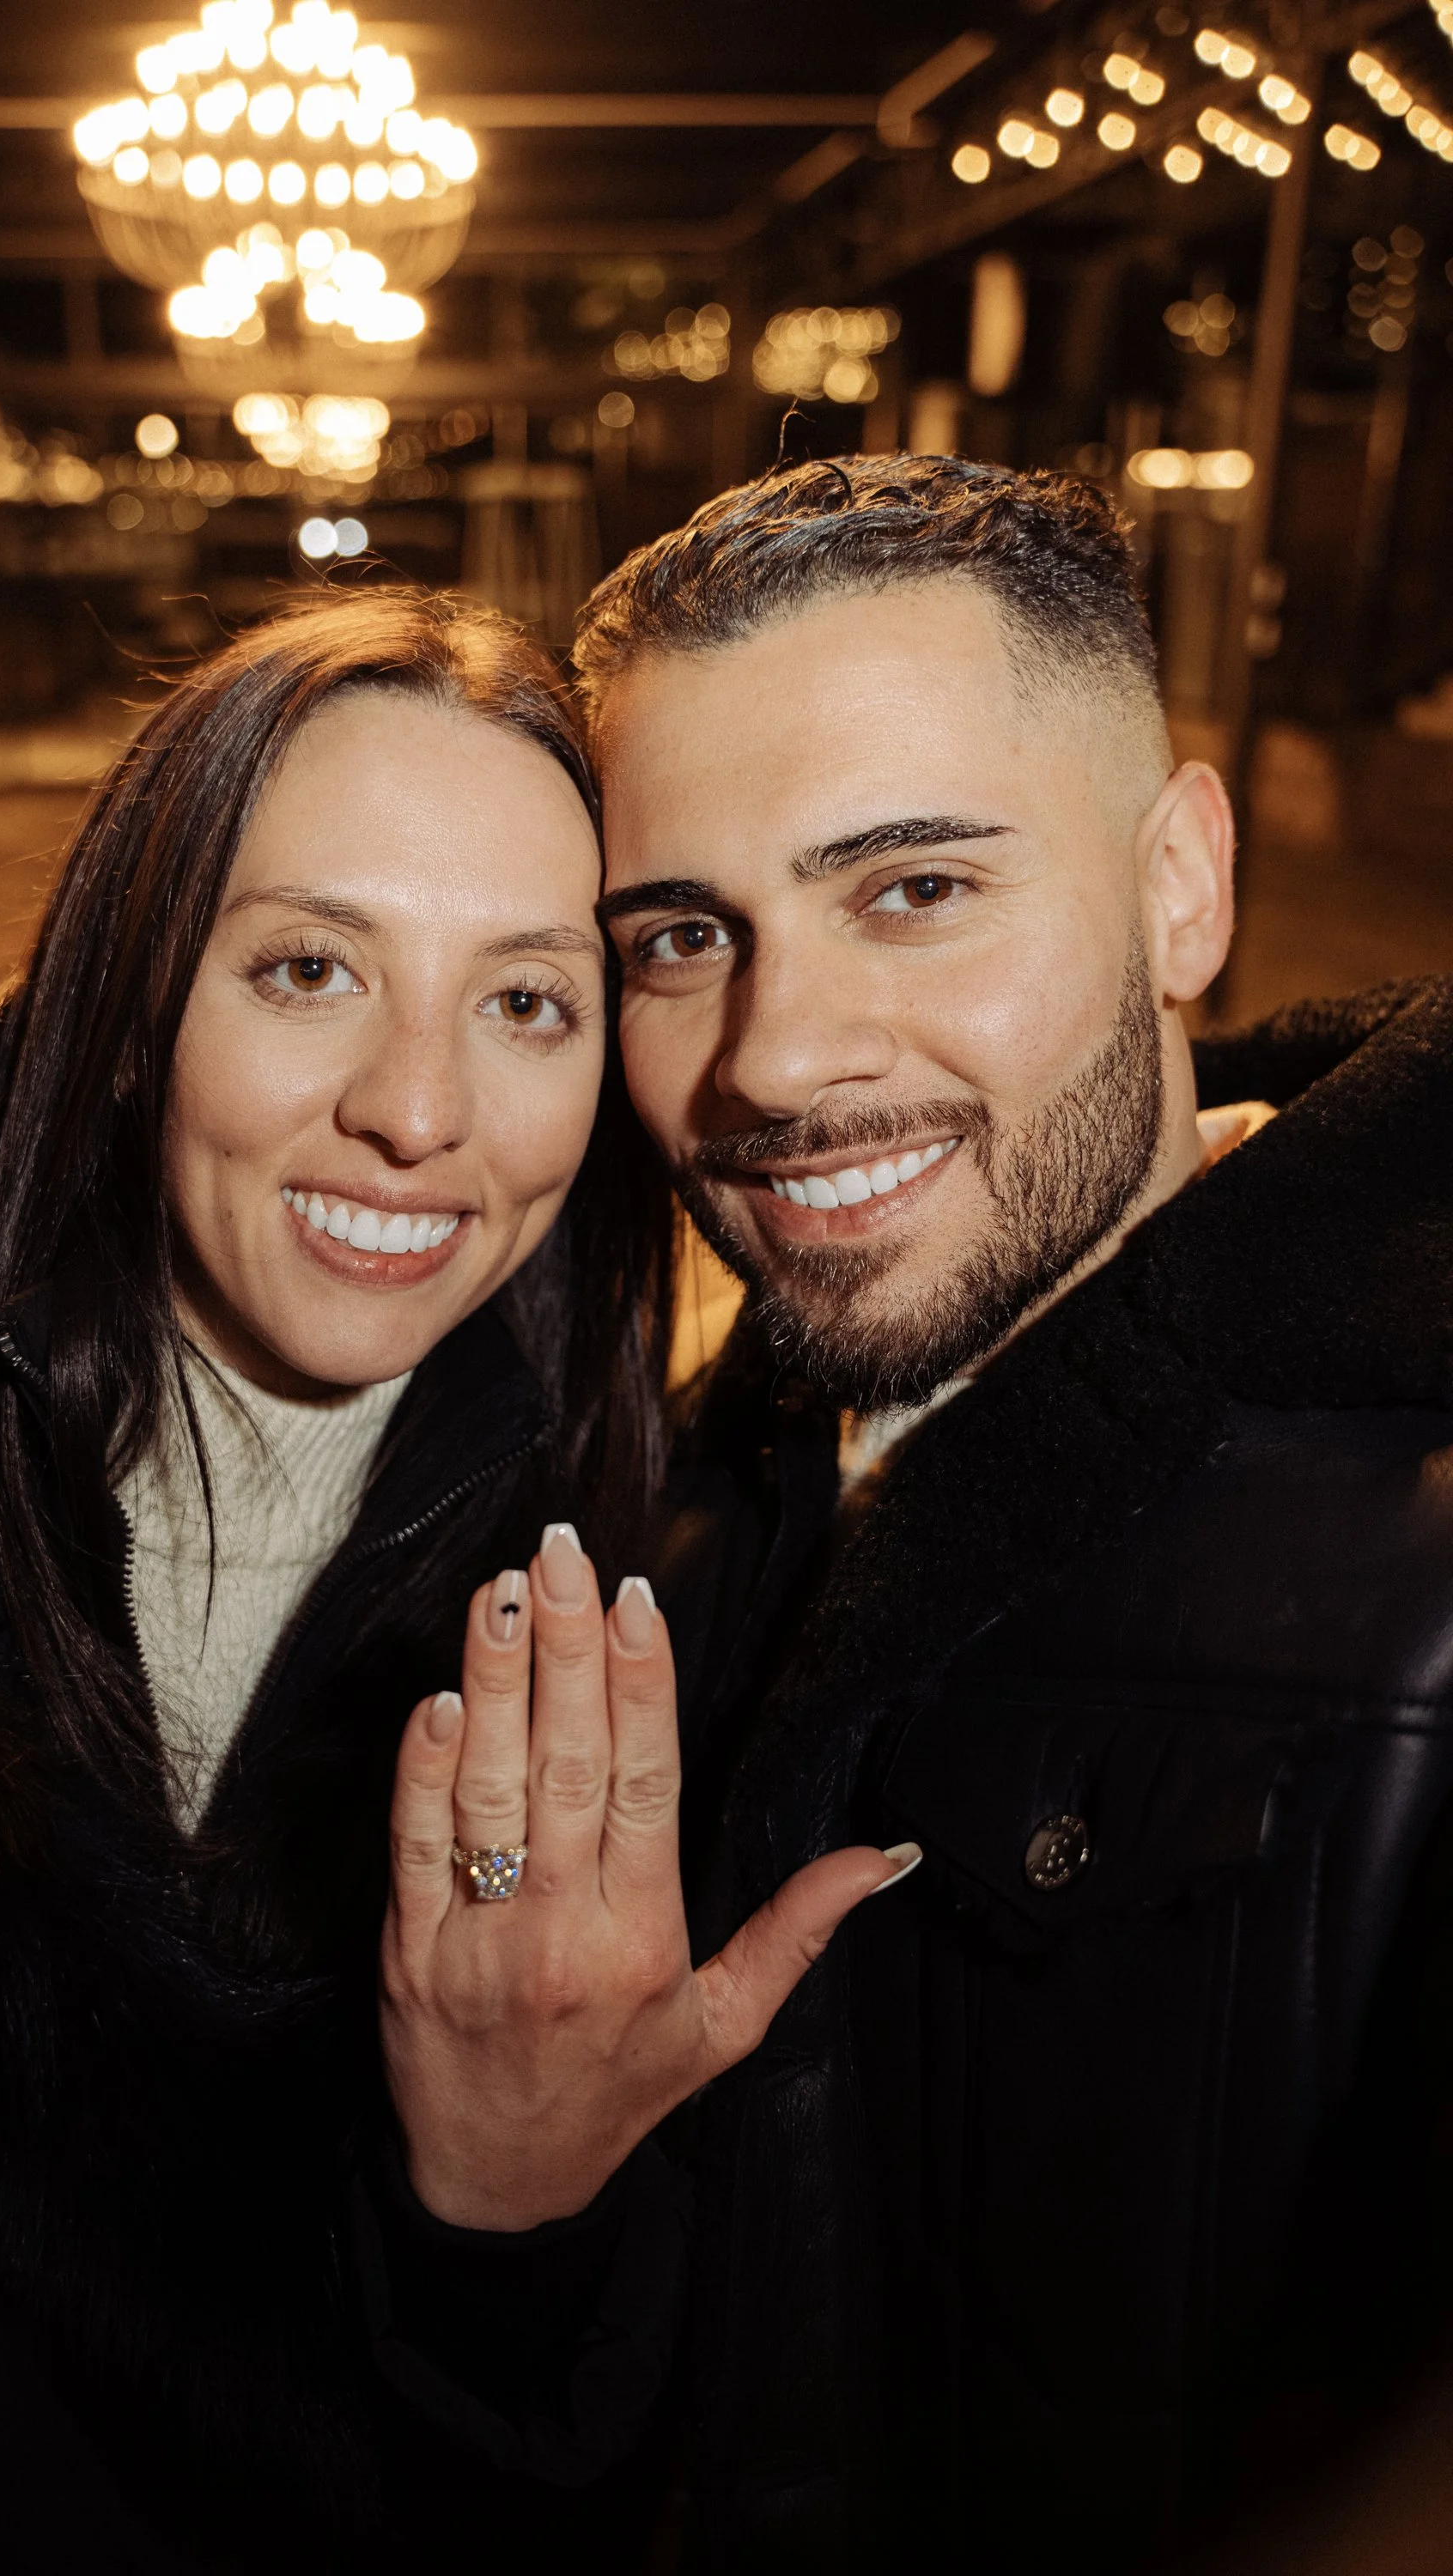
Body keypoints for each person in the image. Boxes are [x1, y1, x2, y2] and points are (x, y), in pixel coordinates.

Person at [377, 458, 1453, 2575]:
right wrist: (503, 2216)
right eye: (684, 938)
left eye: (912, 890)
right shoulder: (663, 1507)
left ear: (1179, 887)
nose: (774, 1061)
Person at [0, 586, 696, 2571]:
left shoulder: (637, 1584)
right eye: (309, 969)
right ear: (136, 980)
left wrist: (504, 2221)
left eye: (525, 999)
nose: (417, 1112)